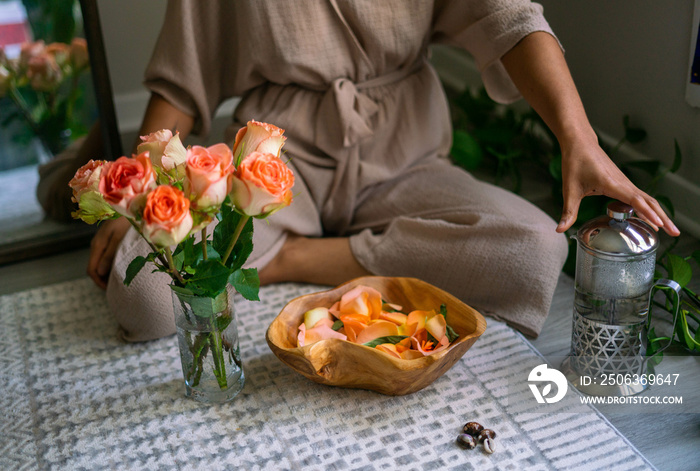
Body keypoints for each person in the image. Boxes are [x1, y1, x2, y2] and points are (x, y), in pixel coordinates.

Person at [84, 0, 679, 342]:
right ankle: (289, 244)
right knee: (148, 297)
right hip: (273, 165)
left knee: (532, 250)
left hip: (404, 154)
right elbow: (180, 88)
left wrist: (580, 140)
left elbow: (512, 19)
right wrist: (143, 189)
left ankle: (288, 259)